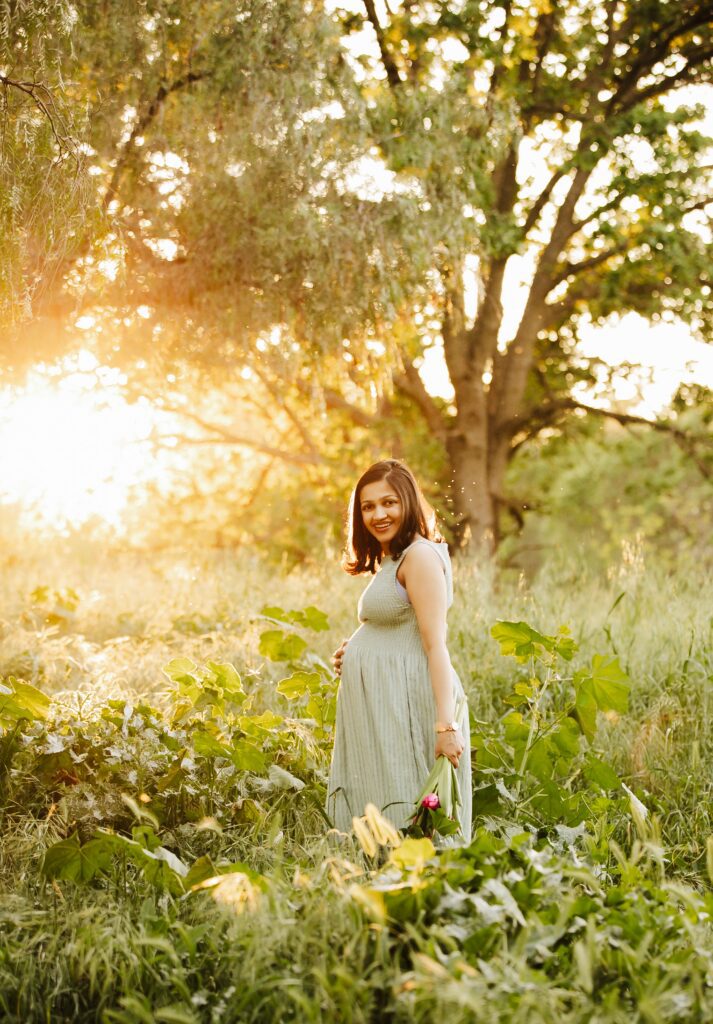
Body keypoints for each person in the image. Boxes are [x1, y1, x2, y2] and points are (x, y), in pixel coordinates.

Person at [326, 458, 472, 846]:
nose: (378, 514)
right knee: (390, 815)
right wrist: (357, 651)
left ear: (408, 501)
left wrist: (445, 728)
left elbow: (434, 644)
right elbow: (399, 626)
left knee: (414, 817)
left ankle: (424, 895)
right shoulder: (394, 557)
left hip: (409, 704)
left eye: (389, 502)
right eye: (368, 507)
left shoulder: (420, 557)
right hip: (385, 704)